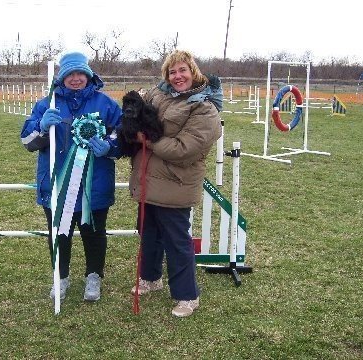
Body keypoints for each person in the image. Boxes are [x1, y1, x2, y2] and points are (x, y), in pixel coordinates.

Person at [20, 52, 122, 302]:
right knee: (59, 235)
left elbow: (124, 135)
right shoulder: (47, 104)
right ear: (61, 77)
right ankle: (61, 277)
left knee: (94, 234)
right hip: (57, 185)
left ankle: (94, 277)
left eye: (80, 74)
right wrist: (41, 128)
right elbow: (27, 141)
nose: (76, 79)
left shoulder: (106, 104)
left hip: (94, 186)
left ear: (89, 75)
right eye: (70, 74)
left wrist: (111, 146)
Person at [129, 50, 223, 317]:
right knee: (148, 234)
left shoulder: (204, 108)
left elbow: (185, 148)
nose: (177, 76)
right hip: (148, 179)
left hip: (176, 182)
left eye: (182, 70)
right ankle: (151, 278)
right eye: (172, 72)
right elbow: (136, 111)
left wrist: (144, 139)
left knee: (177, 241)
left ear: (193, 72)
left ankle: (187, 296)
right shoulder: (158, 95)